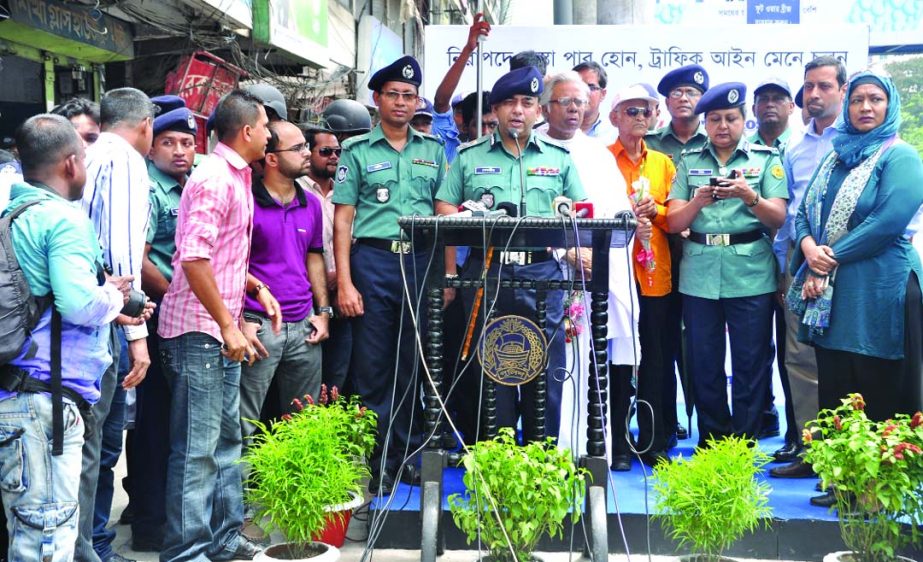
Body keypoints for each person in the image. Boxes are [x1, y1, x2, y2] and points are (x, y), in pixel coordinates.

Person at [787, 69, 923, 506]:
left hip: (882, 289)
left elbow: (888, 222)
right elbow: (805, 211)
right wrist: (809, 248)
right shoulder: (835, 156)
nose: (866, 107)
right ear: (847, 105)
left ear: (890, 107)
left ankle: (878, 488)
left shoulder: (900, 156)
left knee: (878, 381)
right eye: (858, 100)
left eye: (876, 100)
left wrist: (830, 256)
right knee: (836, 384)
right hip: (834, 291)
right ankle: (841, 481)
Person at [435, 65, 586, 445]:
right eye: (508, 103)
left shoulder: (560, 157)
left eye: (527, 102)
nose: (517, 110)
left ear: (539, 111)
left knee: (545, 374)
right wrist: (472, 222)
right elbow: (443, 207)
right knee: (493, 372)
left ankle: (541, 462)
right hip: (488, 273)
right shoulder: (469, 157)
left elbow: (582, 213)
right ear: (496, 111)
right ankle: (497, 466)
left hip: (542, 275)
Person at [0, 114, 127, 562]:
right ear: (72, 163)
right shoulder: (63, 220)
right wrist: (113, 296)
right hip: (43, 403)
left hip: (12, 395)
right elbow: (78, 305)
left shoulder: (10, 214)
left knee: (24, 533)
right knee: (46, 540)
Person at [157, 89, 273, 562]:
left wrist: (249, 296)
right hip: (197, 335)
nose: (269, 134)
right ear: (247, 131)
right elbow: (194, 258)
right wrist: (229, 325)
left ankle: (225, 540)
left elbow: (220, 256)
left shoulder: (235, 175)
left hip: (218, 330)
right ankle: (186, 553)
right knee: (197, 454)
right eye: (265, 126)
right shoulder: (213, 179)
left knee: (228, 443)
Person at [332, 55, 447, 496]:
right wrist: (344, 282)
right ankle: (379, 463)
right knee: (373, 370)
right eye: (393, 95)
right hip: (374, 264)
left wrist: (446, 276)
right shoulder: (357, 151)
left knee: (415, 367)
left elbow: (443, 217)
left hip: (420, 263)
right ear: (377, 99)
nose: (401, 103)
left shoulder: (433, 151)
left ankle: (409, 458)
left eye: (409, 96)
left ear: (418, 102)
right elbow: (343, 221)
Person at [666, 82, 788, 446]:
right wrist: (697, 203)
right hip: (700, 273)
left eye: (731, 118)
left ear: (743, 119)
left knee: (751, 363)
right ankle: (713, 440)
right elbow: (673, 222)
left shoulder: (765, 159)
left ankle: (743, 443)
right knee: (704, 361)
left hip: (750, 272)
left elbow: (778, 217)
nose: (723, 126)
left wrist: (749, 196)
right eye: (715, 119)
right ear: (705, 122)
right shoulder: (688, 162)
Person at [537, 72, 644, 467]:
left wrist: (596, 254)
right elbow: (527, 215)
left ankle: (590, 448)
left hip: (593, 272)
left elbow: (619, 216)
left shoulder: (598, 153)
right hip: (546, 273)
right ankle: (549, 450)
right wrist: (565, 252)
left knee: (591, 362)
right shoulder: (531, 148)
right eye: (565, 102)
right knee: (546, 365)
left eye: (580, 103)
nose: (574, 110)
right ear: (546, 106)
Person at [78, 87, 158, 562]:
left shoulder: (88, 153)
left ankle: (92, 544)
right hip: (109, 317)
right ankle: (91, 549)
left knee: (94, 445)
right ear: (145, 124)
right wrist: (137, 335)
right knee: (99, 445)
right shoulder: (126, 160)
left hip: (86, 311)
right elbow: (124, 254)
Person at [125, 95, 198, 553]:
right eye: (168, 141)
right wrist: (177, 296)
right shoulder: (149, 188)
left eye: (186, 142)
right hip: (152, 316)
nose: (178, 150)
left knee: (176, 425)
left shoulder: (193, 184)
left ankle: (168, 517)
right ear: (151, 146)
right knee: (153, 425)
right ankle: (150, 524)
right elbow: (140, 257)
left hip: (184, 318)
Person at [770, 56, 847, 478]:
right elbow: (790, 212)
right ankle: (811, 451)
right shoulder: (794, 147)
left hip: (847, 263)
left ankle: (845, 457)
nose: (814, 95)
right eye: (809, 87)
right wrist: (785, 268)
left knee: (842, 358)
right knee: (799, 358)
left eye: (824, 86)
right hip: (798, 263)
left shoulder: (857, 142)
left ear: (842, 89)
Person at [240, 119, 329, 439]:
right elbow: (232, 262)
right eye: (298, 148)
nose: (307, 153)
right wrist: (241, 319)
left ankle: (295, 489)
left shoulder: (313, 204)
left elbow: (314, 255)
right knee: (244, 421)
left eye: (306, 146)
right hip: (258, 324)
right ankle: (244, 489)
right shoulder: (246, 202)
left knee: (303, 423)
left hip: (304, 323)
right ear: (272, 158)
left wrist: (323, 312)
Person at [608, 83, 677, 467]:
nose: (638, 118)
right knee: (617, 361)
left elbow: (678, 218)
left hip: (654, 274)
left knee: (655, 359)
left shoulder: (664, 164)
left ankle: (651, 443)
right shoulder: (603, 160)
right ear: (614, 117)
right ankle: (617, 442)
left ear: (655, 117)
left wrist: (657, 213)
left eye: (645, 111)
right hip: (616, 272)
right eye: (630, 111)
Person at [645, 64, 712, 444]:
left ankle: (708, 427)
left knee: (701, 348)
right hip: (660, 258)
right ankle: (665, 424)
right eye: (677, 93)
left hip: (705, 259)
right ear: (666, 103)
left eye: (692, 93)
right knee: (662, 343)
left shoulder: (716, 140)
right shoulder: (652, 144)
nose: (684, 99)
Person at [749, 77, 797, 445]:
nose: (769, 105)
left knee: (792, 349)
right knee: (755, 347)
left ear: (790, 107)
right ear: (752, 109)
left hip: (795, 261)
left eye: (777, 99)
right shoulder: (743, 151)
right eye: (762, 99)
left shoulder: (801, 148)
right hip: (749, 263)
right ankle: (762, 416)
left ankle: (797, 432)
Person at [300, 127, 350, 391]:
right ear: (309, 153)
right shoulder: (297, 189)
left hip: (341, 294)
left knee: (338, 374)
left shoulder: (346, 192)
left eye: (337, 152)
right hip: (308, 298)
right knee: (309, 378)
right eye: (325, 151)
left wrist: (340, 277)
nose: (333, 157)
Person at [431, 13, 491, 162]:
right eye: (478, 125)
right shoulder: (453, 150)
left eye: (492, 125)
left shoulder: (511, 157)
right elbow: (440, 102)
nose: (486, 132)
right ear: (464, 127)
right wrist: (468, 50)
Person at [572, 61, 616, 143]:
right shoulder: (554, 130)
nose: (583, 92)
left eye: (591, 87)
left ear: (602, 94)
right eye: (578, 86)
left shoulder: (614, 134)